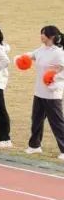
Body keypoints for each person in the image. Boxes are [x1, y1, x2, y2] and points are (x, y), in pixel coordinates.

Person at [21, 25, 64, 157]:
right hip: (39, 92)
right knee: (36, 120)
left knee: (57, 123)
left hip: (52, 94)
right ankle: (34, 146)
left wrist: (54, 79)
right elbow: (32, 55)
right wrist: (22, 57)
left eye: (43, 34)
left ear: (51, 36)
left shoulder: (58, 53)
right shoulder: (42, 49)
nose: (41, 36)